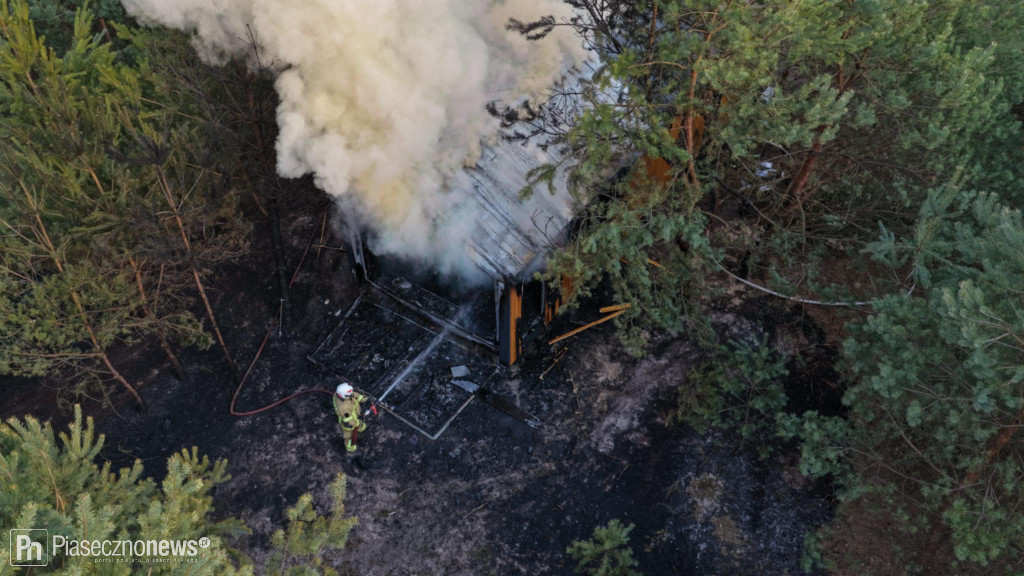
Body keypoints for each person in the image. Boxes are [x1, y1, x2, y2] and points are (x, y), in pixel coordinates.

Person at [333, 383, 367, 454]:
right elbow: (349, 420)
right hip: (348, 425)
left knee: (361, 425)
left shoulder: (340, 394)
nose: (351, 393)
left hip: (355, 414)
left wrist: (363, 398)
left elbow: (353, 394)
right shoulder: (343, 407)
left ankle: (361, 428)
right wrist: (357, 423)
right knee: (349, 437)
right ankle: (350, 448)